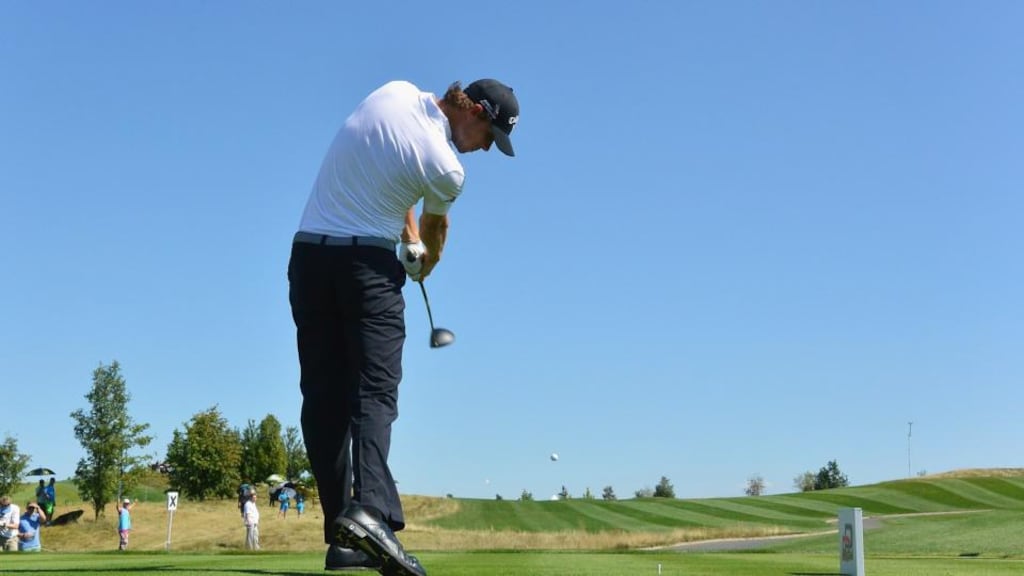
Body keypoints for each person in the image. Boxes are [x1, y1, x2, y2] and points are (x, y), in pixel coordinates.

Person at [289, 77, 519, 575]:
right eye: (489, 138)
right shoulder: (449, 168)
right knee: (375, 394)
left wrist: (406, 231)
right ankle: (370, 511)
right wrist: (423, 260)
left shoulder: (391, 93)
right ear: (475, 112)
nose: (482, 150)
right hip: (366, 272)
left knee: (323, 401)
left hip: (307, 259)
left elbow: (392, 170)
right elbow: (437, 232)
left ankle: (345, 538)